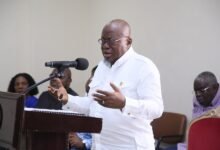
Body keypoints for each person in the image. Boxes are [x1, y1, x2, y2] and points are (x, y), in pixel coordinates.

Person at [49, 19, 164, 150]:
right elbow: (93, 106)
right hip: (100, 145)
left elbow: (156, 109)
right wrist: (67, 99)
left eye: (111, 40)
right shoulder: (101, 68)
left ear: (128, 41)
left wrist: (125, 103)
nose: (105, 45)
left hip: (130, 146)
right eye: (102, 41)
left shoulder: (144, 67)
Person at [36, 68, 92, 150]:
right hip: (43, 140)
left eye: (60, 77)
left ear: (69, 81)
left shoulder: (75, 100)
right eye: (52, 76)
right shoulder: (44, 95)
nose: (54, 80)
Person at [166, 71, 220, 150]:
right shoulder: (198, 100)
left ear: (215, 87)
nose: (198, 95)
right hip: (191, 145)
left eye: (202, 91)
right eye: (195, 91)